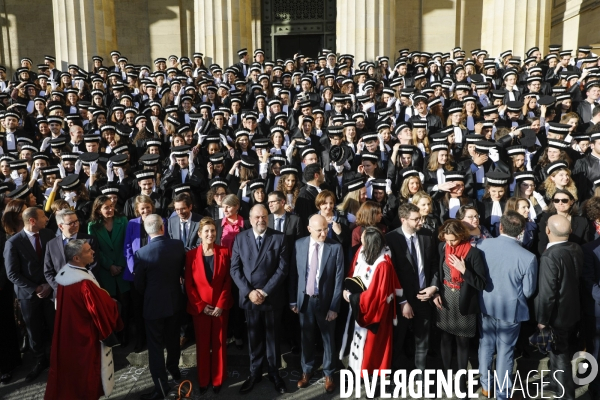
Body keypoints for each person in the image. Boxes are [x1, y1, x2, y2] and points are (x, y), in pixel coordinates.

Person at [45, 240, 123, 400]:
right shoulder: (83, 283)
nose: (93, 252)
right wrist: (113, 304)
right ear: (76, 259)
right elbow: (100, 311)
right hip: (86, 337)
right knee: (87, 377)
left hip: (69, 335)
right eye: (88, 251)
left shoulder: (65, 275)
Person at [477, 211, 538, 400]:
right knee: (505, 352)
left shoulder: (482, 245)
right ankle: (502, 393)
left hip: (485, 305)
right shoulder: (528, 257)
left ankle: (486, 386)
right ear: (521, 230)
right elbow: (528, 290)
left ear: (500, 227)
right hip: (511, 309)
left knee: (485, 345)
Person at [230, 204, 289, 394]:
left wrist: (264, 292)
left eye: (264, 216)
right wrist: (250, 292)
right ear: (250, 218)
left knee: (273, 338)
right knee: (253, 337)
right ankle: (254, 373)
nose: (261, 220)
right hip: (250, 298)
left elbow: (282, 269)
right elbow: (235, 269)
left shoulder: (279, 238)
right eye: (257, 217)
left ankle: (274, 373)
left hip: (271, 297)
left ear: (268, 217)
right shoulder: (240, 238)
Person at [431, 219, 486, 396]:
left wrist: (464, 270)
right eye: (446, 239)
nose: (449, 243)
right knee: (445, 339)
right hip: (445, 297)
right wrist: (436, 292)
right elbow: (438, 273)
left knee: (463, 343)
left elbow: (481, 283)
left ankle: (461, 382)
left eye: (453, 240)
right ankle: (446, 377)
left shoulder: (474, 253)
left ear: (461, 236)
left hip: (464, 301)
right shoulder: (442, 248)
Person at [289, 214, 344, 393]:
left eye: (325, 229)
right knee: (306, 337)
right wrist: (293, 300)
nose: (323, 233)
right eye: (319, 230)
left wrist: (334, 307)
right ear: (309, 229)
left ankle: (329, 373)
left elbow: (339, 279)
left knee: (328, 339)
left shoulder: (335, 247)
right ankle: (307, 370)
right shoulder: (299, 245)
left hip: (326, 302)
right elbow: (294, 275)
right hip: (305, 300)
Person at [134, 214, 186, 400]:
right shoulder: (178, 245)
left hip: (153, 306)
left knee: (155, 348)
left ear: (147, 232)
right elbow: (182, 271)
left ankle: (161, 387)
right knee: (173, 340)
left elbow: (138, 283)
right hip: (174, 302)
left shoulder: (142, 253)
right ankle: (174, 370)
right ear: (162, 227)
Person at [386, 203, 439, 379]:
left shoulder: (427, 235)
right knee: (398, 339)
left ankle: (420, 374)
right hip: (402, 300)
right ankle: (393, 374)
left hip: (425, 296)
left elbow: (433, 264)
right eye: (416, 219)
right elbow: (390, 273)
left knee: (422, 338)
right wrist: (402, 302)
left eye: (420, 218)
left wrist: (434, 286)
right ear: (403, 220)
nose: (420, 222)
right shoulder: (391, 239)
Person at [341, 226, 402, 376]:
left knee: (372, 349)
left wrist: (351, 297)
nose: (360, 240)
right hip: (360, 305)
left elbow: (376, 296)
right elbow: (352, 272)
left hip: (374, 312)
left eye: (363, 239)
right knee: (357, 342)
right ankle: (357, 371)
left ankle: (371, 378)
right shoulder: (362, 251)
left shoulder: (383, 264)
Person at [535, 214, 583, 400]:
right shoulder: (576, 248)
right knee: (561, 353)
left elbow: (547, 293)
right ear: (570, 231)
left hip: (558, 315)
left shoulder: (549, 256)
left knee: (560, 356)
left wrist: (542, 319)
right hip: (574, 310)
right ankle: (556, 383)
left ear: (547, 231)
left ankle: (566, 394)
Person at [4, 207, 55, 382]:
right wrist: (36, 288)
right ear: (32, 221)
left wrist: (49, 284)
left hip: (50, 290)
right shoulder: (13, 242)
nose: (47, 218)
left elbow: (56, 260)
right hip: (29, 295)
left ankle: (57, 358)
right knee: (34, 330)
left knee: (54, 324)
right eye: (43, 216)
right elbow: (12, 274)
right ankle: (40, 360)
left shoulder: (48, 234)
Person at [185, 217, 233, 394]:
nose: (210, 234)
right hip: (201, 308)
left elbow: (228, 280)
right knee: (203, 344)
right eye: (207, 231)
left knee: (219, 343)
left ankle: (218, 379)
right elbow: (189, 284)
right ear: (199, 234)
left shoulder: (224, 252)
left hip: (220, 307)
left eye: (213, 231)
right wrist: (200, 305)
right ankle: (204, 380)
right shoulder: (190, 256)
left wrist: (221, 304)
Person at [87, 195, 131, 345]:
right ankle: (116, 336)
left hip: (123, 268)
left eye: (111, 206)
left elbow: (127, 243)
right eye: (106, 207)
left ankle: (127, 335)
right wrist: (110, 265)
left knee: (126, 304)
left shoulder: (122, 221)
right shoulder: (93, 226)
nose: (110, 209)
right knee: (112, 305)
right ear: (98, 210)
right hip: (106, 272)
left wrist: (119, 264)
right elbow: (95, 250)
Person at [43, 209, 98, 300]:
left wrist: (80, 286)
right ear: (61, 226)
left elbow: (93, 266)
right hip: (62, 294)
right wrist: (61, 288)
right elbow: (48, 271)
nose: (76, 225)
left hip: (85, 292)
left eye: (76, 221)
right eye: (71, 223)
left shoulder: (89, 240)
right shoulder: (51, 244)